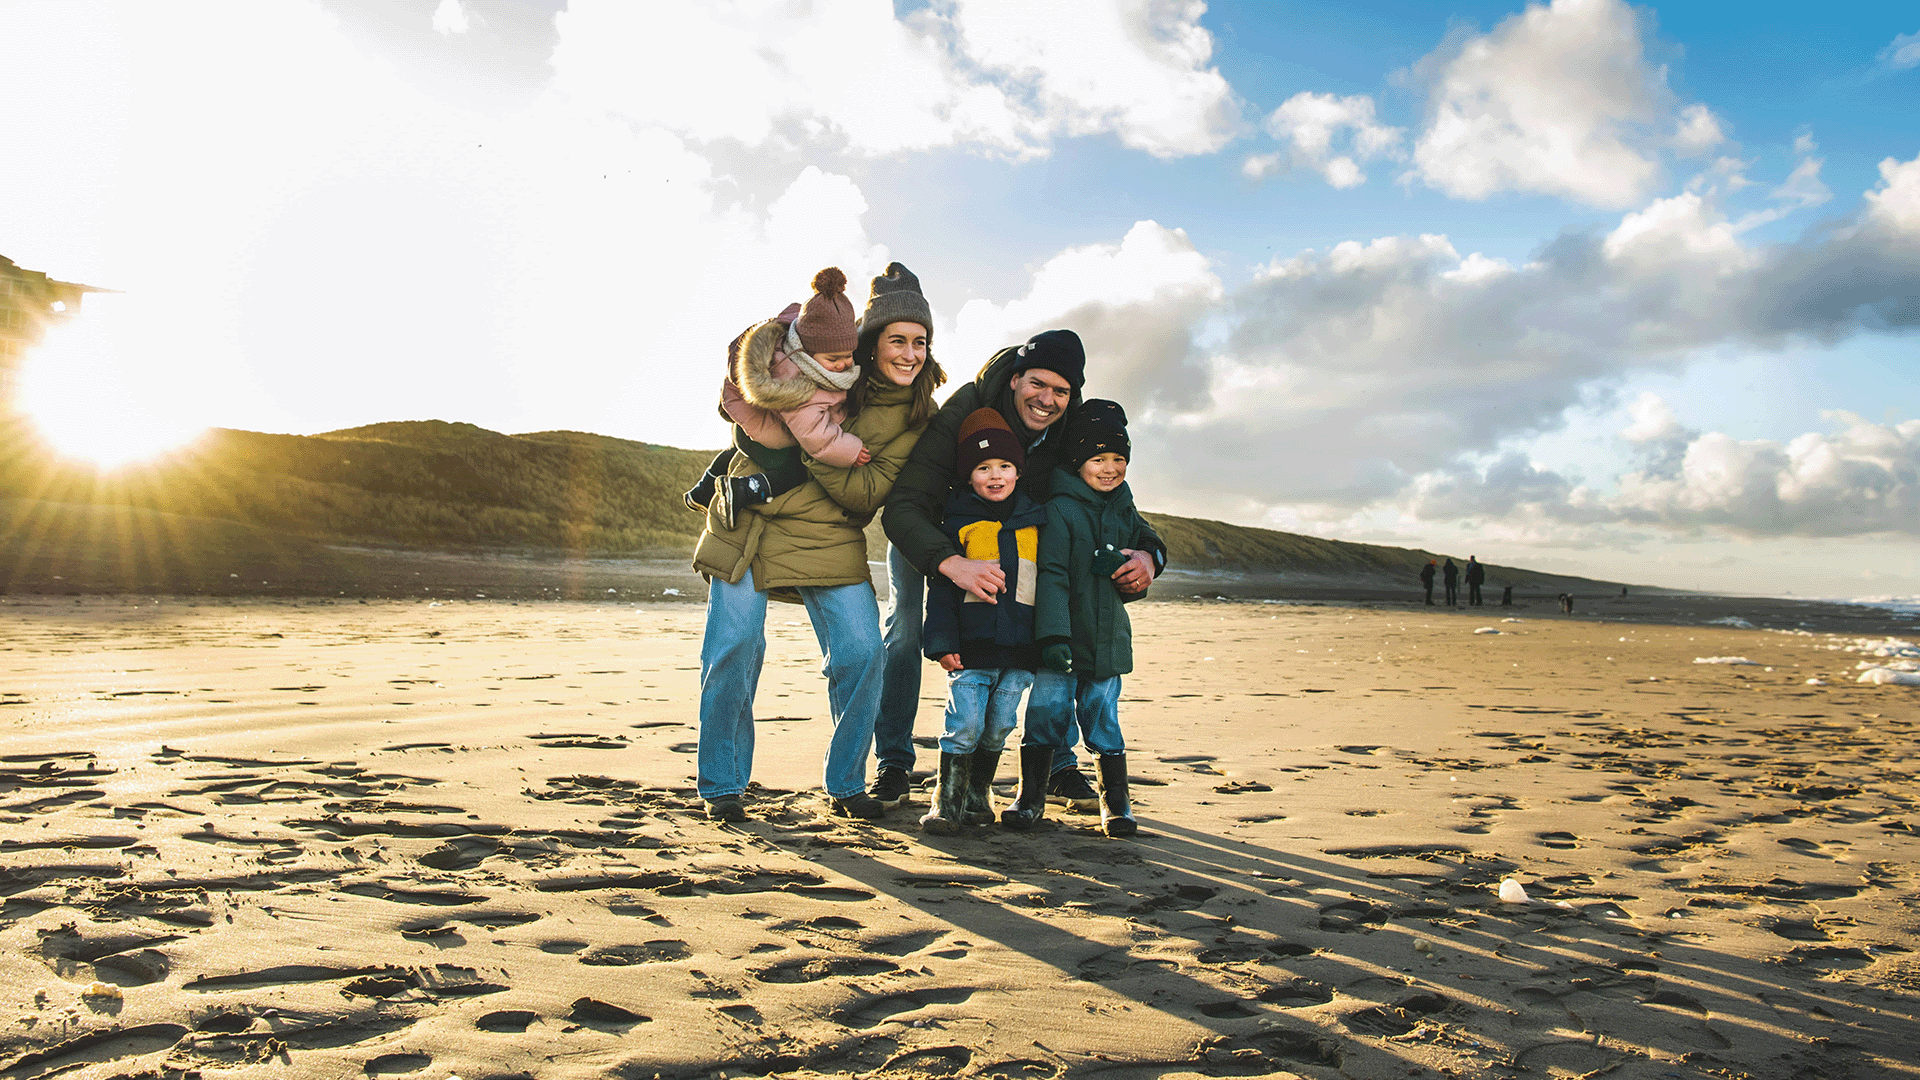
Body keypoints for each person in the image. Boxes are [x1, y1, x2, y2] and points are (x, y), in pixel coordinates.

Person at [691, 268, 944, 823]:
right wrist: (764, 423)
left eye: (919, 342)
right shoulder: (822, 367)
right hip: (746, 523)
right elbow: (745, 397)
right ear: (868, 341)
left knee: (862, 653)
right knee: (733, 649)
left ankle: (846, 781)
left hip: (828, 533)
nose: (908, 354)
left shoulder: (914, 417)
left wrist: (801, 447)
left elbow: (866, 492)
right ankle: (723, 785)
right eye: (896, 340)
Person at [880, 329, 1165, 814]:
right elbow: (904, 506)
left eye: (1061, 390)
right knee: (908, 630)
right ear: (1015, 380)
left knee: (1055, 623)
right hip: (933, 538)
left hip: (1021, 549)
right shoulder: (967, 410)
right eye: (1038, 384)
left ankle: (1058, 763)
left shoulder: (1071, 426)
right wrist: (954, 565)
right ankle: (894, 762)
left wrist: (1149, 555)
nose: (1047, 399)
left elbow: (1110, 504)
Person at [1006, 400, 1151, 837]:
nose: (1110, 469)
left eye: (1119, 459)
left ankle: (1117, 803)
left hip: (1107, 642)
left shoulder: (1125, 507)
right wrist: (1052, 636)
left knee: (1104, 719)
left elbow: (1146, 553)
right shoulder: (1062, 508)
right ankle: (1030, 797)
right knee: (1046, 716)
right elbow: (1050, 576)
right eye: (1098, 459)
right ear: (1078, 461)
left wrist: (1138, 570)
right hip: (1062, 642)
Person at [917, 408, 1045, 835]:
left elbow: (1051, 586)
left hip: (1020, 650)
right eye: (982, 467)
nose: (995, 475)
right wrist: (940, 641)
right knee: (965, 724)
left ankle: (977, 796)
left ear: (1018, 472)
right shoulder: (958, 524)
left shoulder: (1037, 521)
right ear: (967, 476)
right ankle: (945, 802)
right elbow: (941, 587)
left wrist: (1046, 641)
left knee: (999, 727)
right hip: (970, 648)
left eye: (1005, 466)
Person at [683, 269, 872, 530]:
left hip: (754, 421)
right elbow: (817, 438)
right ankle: (741, 490)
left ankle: (702, 490)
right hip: (767, 430)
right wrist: (851, 450)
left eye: (848, 355)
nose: (843, 364)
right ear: (806, 352)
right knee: (794, 470)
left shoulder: (801, 331)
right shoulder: (796, 388)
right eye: (833, 359)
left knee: (737, 446)